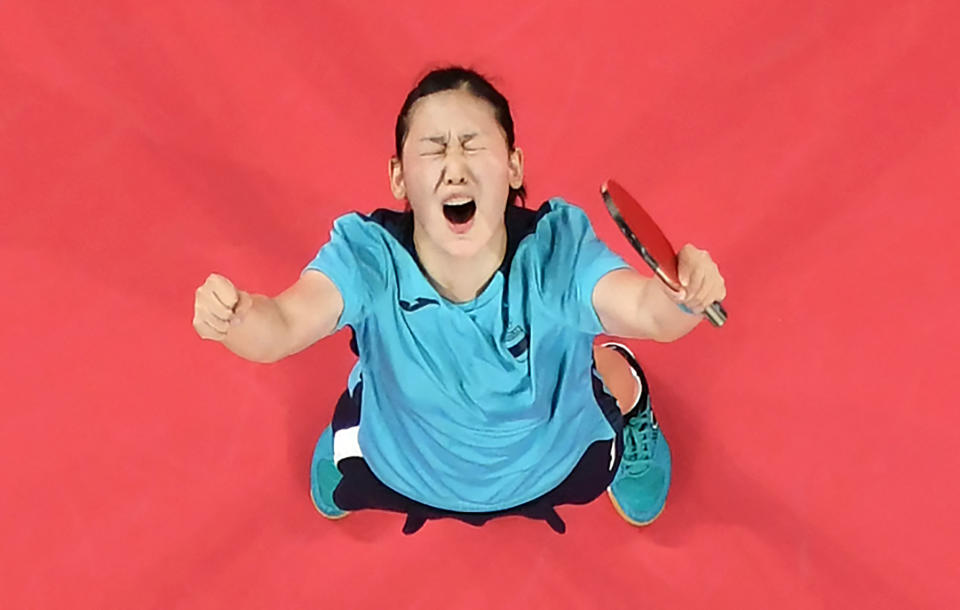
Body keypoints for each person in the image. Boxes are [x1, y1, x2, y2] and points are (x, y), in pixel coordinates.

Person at [192, 66, 726, 534]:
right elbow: (281, 325)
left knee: (602, 370)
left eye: (473, 144)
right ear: (399, 175)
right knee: (351, 465)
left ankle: (629, 399)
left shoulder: (555, 251)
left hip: (550, 459)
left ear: (513, 167)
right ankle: (355, 424)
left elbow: (645, 311)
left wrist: (684, 297)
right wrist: (237, 319)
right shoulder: (368, 256)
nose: (455, 166)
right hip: (400, 463)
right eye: (433, 147)